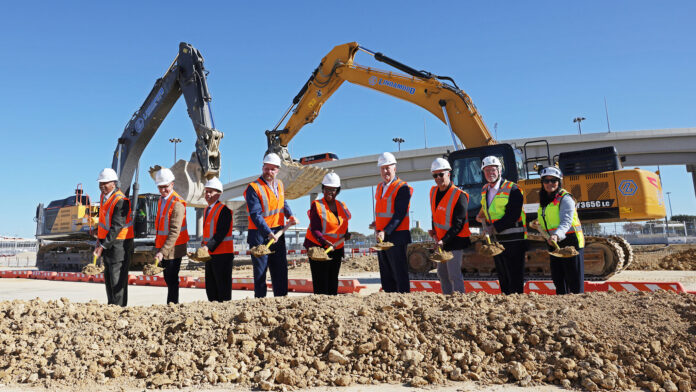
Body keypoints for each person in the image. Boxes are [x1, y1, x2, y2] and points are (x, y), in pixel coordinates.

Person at [244, 153, 298, 298]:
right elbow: (255, 214)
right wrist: (268, 232)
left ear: (278, 170)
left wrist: (290, 215)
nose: (269, 172)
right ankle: (260, 303)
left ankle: (281, 300)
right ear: (262, 168)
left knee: (280, 269)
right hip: (259, 235)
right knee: (261, 272)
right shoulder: (253, 188)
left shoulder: (279, 184)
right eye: (267, 169)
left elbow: (282, 202)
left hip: (278, 232)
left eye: (272, 169)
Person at [476, 155, 527, 294]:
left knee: (515, 276)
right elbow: (489, 208)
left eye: (493, 170)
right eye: (486, 170)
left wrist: (493, 228)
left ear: (500, 170)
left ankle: (516, 306)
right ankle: (506, 305)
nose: (490, 173)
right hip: (497, 239)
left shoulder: (513, 189)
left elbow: (513, 214)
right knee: (503, 276)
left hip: (514, 239)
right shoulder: (485, 190)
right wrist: (482, 215)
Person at [537, 166, 585, 294]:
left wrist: (556, 235)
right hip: (554, 243)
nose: (550, 183)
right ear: (542, 183)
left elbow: (566, 221)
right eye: (546, 181)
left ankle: (577, 308)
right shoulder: (544, 200)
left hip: (571, 242)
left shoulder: (565, 198)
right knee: (559, 280)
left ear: (559, 182)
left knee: (574, 281)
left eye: (553, 180)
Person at [371, 152, 413, 293]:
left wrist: (385, 230)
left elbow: (399, 214)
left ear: (395, 168)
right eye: (382, 168)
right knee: (386, 275)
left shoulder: (402, 187)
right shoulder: (379, 187)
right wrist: (377, 224)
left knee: (399, 274)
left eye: (388, 168)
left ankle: (403, 302)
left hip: (397, 236)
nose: (385, 171)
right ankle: (390, 303)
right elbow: (384, 211)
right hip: (382, 236)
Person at [304, 173, 352, 295]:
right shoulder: (317, 205)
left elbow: (343, 222)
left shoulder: (342, 205)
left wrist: (346, 234)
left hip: (336, 247)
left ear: (338, 191)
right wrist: (324, 242)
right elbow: (315, 229)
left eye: (333, 190)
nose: (330, 192)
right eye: (327, 189)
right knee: (321, 281)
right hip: (319, 247)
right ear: (323, 189)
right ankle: (320, 308)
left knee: (332, 280)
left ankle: (331, 307)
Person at [428, 158, 470, 294]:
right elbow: (434, 213)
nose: (438, 178)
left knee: (453, 274)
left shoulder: (459, 195)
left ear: (449, 174)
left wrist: (443, 240)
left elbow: (459, 223)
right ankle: (447, 301)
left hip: (455, 241)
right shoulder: (433, 192)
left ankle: (458, 303)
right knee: (442, 274)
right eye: (435, 175)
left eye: (441, 174)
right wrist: (434, 232)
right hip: (441, 241)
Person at [93, 168, 134, 306]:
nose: (102, 186)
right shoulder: (104, 197)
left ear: (114, 183)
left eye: (105, 183)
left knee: (117, 279)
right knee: (109, 277)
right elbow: (104, 222)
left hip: (120, 245)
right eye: (100, 183)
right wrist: (99, 240)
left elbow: (117, 226)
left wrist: (103, 245)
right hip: (108, 243)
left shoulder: (121, 200)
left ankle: (119, 309)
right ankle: (111, 306)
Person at [153, 168, 189, 304]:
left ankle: (172, 306)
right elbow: (161, 228)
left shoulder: (177, 203)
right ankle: (171, 305)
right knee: (168, 279)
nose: (163, 190)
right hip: (164, 248)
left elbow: (175, 231)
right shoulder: (161, 201)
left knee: (172, 280)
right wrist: (159, 248)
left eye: (165, 187)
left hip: (174, 249)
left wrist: (162, 251)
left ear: (172, 184)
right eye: (160, 187)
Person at [200, 177, 234, 302]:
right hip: (210, 255)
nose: (207, 194)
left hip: (223, 255)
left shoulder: (224, 210)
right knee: (211, 288)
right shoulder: (206, 210)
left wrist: (207, 246)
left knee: (222, 288)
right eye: (206, 191)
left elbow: (221, 232)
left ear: (219, 194)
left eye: (211, 192)